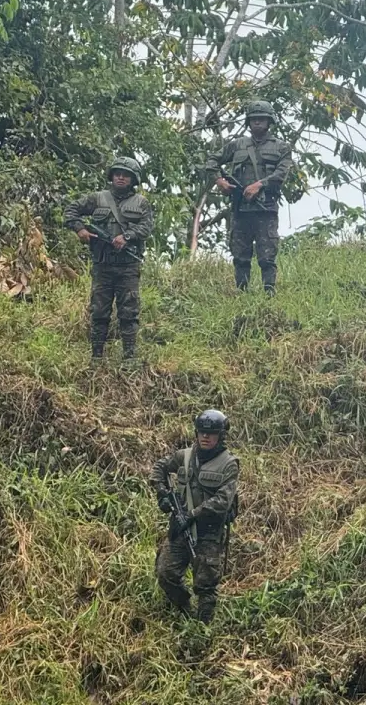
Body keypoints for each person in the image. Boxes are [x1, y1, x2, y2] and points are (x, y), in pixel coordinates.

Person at [149, 409, 239, 624]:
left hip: (208, 532)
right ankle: (184, 612)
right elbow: (160, 467)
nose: (205, 437)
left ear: (220, 436)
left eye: (211, 433)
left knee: (206, 586)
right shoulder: (185, 456)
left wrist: (193, 515)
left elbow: (223, 501)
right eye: (201, 433)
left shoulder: (229, 464)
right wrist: (162, 492)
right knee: (165, 574)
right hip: (180, 528)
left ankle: (202, 629)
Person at [63, 157, 153, 362]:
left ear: (133, 179)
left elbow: (146, 227)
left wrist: (127, 237)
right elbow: (71, 210)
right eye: (117, 174)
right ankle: (96, 357)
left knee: (129, 312)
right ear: (111, 176)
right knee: (99, 311)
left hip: (128, 267)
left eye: (126, 175)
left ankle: (129, 358)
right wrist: (81, 230)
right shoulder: (97, 198)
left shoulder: (141, 203)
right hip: (102, 264)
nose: (121, 178)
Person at [205, 101, 293, 294]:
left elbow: (281, 174)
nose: (257, 122)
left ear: (269, 121)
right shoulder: (237, 145)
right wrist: (220, 181)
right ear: (248, 122)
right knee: (240, 256)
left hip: (266, 209)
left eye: (261, 118)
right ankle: (241, 294)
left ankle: (269, 293)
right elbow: (212, 160)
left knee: (267, 256)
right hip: (240, 209)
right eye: (253, 119)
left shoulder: (281, 148)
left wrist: (259, 185)